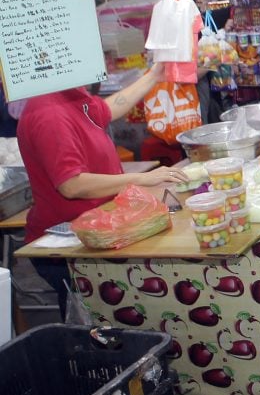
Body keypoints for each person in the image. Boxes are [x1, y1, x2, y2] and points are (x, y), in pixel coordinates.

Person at [18, 65, 190, 317]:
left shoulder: (70, 93)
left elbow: (107, 110)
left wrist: (154, 75)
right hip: (70, 244)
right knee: (92, 325)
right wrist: (142, 179)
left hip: (100, 229)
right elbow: (72, 184)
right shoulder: (49, 113)